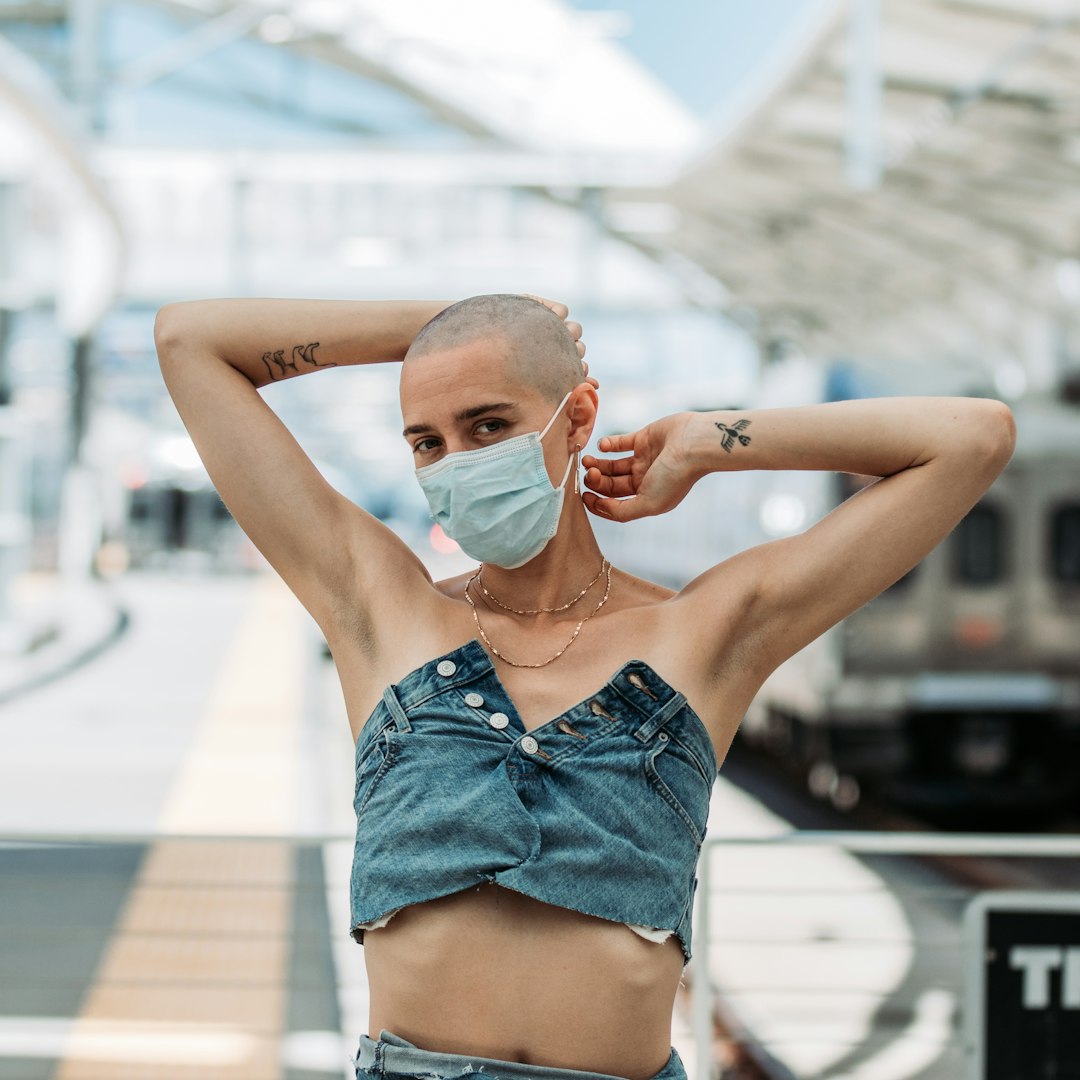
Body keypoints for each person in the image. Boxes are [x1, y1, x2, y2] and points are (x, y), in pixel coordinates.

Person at [154, 293, 1015, 1080]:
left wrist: (707, 442)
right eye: (427, 442)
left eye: (488, 425)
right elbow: (191, 341)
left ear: (579, 419)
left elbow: (972, 437)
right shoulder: (380, 609)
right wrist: (449, 322)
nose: (456, 463)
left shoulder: (705, 633)